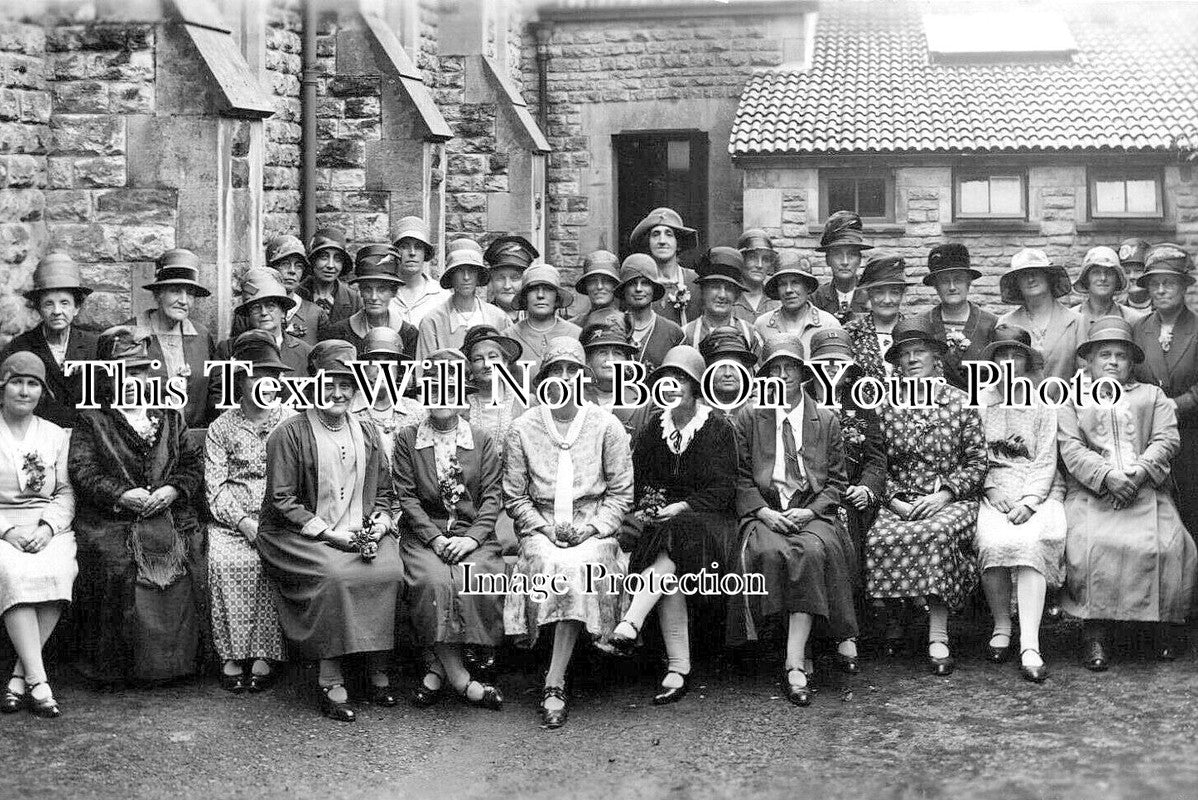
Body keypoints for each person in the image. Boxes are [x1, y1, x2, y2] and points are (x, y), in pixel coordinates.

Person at [256, 340, 404, 722]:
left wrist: (381, 525)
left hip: (358, 529)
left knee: (389, 570)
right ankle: (330, 673)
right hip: (296, 533)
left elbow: (385, 492)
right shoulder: (289, 433)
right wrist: (330, 535)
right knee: (336, 575)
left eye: (346, 385)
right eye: (328, 384)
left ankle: (374, 666)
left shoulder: (368, 432)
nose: (337, 393)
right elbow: (282, 500)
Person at [503, 337, 634, 728]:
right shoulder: (522, 428)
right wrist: (544, 527)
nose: (564, 379)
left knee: (583, 563)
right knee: (548, 558)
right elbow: (515, 496)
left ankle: (554, 680)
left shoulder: (605, 425)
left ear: (584, 377)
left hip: (592, 522)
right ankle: (554, 674)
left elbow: (620, 492)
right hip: (541, 523)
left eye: (572, 371)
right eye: (555, 372)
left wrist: (590, 528)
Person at [69, 326, 205, 686]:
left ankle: (177, 664)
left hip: (169, 511)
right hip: (112, 519)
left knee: (192, 555)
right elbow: (84, 470)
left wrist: (174, 490)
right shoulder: (93, 419)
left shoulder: (169, 415)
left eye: (140, 370)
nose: (133, 379)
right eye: (123, 371)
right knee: (116, 563)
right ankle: (123, 669)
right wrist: (121, 495)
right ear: (106, 376)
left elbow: (191, 464)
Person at [727, 334, 859, 705]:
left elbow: (836, 482)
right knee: (769, 554)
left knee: (813, 552)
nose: (783, 375)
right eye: (775, 368)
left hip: (810, 507)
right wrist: (764, 511)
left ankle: (794, 661)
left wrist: (812, 510)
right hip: (766, 509)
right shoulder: (750, 417)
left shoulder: (826, 419)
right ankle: (787, 646)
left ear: (803, 374)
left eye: (790, 368)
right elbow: (738, 476)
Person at [1059, 316, 1196, 670]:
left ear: (1132, 362)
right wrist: (1107, 477)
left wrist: (1137, 474)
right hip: (1093, 493)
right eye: (1104, 354)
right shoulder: (1072, 399)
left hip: (1145, 490)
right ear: (1088, 360)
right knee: (1091, 544)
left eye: (1121, 355)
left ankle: (1159, 630)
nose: (1112, 362)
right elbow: (1071, 448)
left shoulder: (1152, 396)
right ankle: (1096, 633)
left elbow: (1167, 439)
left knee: (1169, 544)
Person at [610, 345, 737, 705]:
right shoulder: (655, 427)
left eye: (680, 379)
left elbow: (724, 489)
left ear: (696, 387)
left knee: (676, 538)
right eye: (667, 379)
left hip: (709, 522)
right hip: (664, 525)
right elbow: (642, 478)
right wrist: (653, 505)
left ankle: (633, 620)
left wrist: (683, 505)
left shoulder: (716, 428)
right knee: (669, 564)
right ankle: (678, 668)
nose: (672, 386)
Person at [865, 318, 986, 675]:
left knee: (935, 534)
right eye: (905, 354)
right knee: (880, 535)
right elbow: (876, 462)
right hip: (899, 497)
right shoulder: (884, 404)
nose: (912, 359)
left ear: (937, 358)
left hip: (950, 499)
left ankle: (938, 634)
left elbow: (978, 461)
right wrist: (893, 500)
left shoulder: (960, 401)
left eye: (920, 352)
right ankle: (895, 620)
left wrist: (945, 495)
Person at [393, 349, 505, 711]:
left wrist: (472, 537)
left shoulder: (481, 439)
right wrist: (437, 537)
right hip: (426, 535)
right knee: (433, 582)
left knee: (476, 576)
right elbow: (406, 498)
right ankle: (459, 678)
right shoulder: (408, 438)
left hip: (474, 533)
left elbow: (492, 496)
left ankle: (436, 670)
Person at [973, 325, 1066, 683]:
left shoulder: (1043, 401)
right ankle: (1001, 624)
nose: (1009, 362)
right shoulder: (981, 400)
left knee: (1030, 543)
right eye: (1002, 355)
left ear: (1027, 361)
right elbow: (973, 454)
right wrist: (992, 490)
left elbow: (1046, 460)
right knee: (993, 541)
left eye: (1016, 355)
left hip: (1037, 489)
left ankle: (1030, 642)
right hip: (994, 488)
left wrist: (1029, 502)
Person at [204, 331, 293, 694]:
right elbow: (215, 486)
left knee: (274, 562)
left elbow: (304, 479)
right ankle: (232, 652)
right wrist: (243, 522)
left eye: (272, 376)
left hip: (282, 518)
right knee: (228, 562)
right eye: (256, 375)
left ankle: (266, 653)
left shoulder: (291, 422)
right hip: (233, 520)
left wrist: (277, 521)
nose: (265, 384)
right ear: (240, 379)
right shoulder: (221, 426)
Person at [0, 353, 76, 718]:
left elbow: (64, 491)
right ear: (3, 386)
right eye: (17, 382)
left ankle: (21, 675)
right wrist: (8, 531)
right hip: (3, 527)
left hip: (47, 524)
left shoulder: (54, 434)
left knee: (60, 569)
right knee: (14, 573)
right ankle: (40, 681)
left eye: (33, 384)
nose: (24, 391)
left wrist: (48, 528)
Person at [805, 329, 884, 591]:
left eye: (839, 364)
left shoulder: (860, 401)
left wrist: (867, 488)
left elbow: (875, 456)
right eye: (824, 363)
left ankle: (853, 618)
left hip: (851, 493)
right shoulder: (798, 399)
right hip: (806, 492)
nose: (831, 369)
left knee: (852, 527)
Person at [1132, 243, 1198, 538]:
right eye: (1155, 284)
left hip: (1191, 437)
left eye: (1168, 283)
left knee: (1191, 511)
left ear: (1184, 287)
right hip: (1147, 439)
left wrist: (1179, 404)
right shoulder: (1138, 329)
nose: (1160, 290)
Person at [1, 251, 98, 429]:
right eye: (48, 304)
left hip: (86, 438)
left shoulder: (95, 347)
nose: (57, 311)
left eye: (64, 303)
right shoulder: (19, 348)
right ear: (38, 308)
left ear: (76, 308)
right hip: (36, 439)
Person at [126, 248, 216, 427]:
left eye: (189, 293)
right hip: (145, 440)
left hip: (193, 441)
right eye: (175, 291)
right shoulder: (130, 333)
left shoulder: (202, 336)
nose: (184, 300)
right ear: (158, 294)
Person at [916, 243, 998, 392]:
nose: (952, 287)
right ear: (935, 285)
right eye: (945, 281)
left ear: (969, 282)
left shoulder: (990, 324)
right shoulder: (922, 324)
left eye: (958, 279)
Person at [414, 239, 510, 364]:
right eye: (459, 270)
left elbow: (508, 367)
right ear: (451, 275)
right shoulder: (433, 321)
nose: (466, 277)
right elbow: (424, 370)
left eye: (471, 270)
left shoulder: (499, 318)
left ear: (478, 275)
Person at [996, 249, 1082, 383]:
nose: (1030, 279)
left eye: (1036, 273)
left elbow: (1084, 371)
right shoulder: (1006, 322)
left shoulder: (1076, 321)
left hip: (1065, 401)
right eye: (1024, 275)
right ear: (1017, 283)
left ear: (1048, 277)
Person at [318, 244, 419, 358]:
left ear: (393, 292)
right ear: (360, 291)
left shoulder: (408, 334)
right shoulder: (339, 332)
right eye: (367, 289)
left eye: (382, 289)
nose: (374, 297)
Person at [351, 327, 426, 465]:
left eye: (389, 362)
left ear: (399, 369)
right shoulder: (348, 410)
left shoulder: (416, 412)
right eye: (374, 362)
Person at [218, 267, 312, 376]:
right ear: (248, 314)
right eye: (256, 308)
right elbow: (219, 390)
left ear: (282, 312)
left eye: (270, 306)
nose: (263, 312)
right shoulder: (229, 350)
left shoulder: (305, 352)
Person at [232, 236, 323, 345]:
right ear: (271, 268)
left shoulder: (316, 314)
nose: (292, 271)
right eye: (285, 264)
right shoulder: (249, 312)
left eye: (299, 266)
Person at [683, 247, 763, 356]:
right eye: (715, 286)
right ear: (702, 290)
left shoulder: (750, 334)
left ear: (737, 295)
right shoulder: (686, 334)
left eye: (729, 288)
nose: (722, 295)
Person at [843, 252, 910, 380]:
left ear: (902, 294)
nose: (887, 300)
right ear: (869, 293)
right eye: (879, 292)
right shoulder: (851, 333)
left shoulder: (914, 332)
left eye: (894, 292)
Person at [630, 207, 702, 326]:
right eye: (655, 235)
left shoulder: (695, 281)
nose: (662, 241)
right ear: (648, 243)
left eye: (669, 234)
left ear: (678, 243)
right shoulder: (639, 284)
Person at [502, 264, 581, 372]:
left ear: (557, 297)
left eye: (548, 289)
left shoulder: (576, 334)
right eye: (533, 289)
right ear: (524, 297)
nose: (540, 295)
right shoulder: (508, 337)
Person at [580, 320, 651, 441]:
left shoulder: (644, 405)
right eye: (602, 353)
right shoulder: (573, 399)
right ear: (588, 361)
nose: (610, 360)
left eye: (617, 353)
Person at [754, 257, 841, 354]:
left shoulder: (828, 324)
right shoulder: (763, 324)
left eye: (795, 283)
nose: (788, 290)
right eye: (782, 284)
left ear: (807, 287)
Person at [615, 254, 684, 373]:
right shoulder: (612, 327)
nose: (638, 289)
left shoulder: (672, 332)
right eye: (632, 283)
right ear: (624, 289)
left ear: (653, 288)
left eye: (645, 283)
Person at [812, 211, 870, 323]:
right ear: (827, 260)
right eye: (837, 254)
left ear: (859, 260)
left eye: (852, 254)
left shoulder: (872, 296)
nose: (845, 262)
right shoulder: (816, 299)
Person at [1074, 246, 1148, 333]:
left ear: (1117, 280)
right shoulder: (1072, 319)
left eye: (1109, 273)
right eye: (1096, 272)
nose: (1103, 278)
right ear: (1086, 279)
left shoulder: (1134, 320)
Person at [392, 217, 449, 327]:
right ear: (395, 252)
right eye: (404, 247)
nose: (412, 253)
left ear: (425, 253)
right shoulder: (383, 293)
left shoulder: (441, 296)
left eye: (418, 247)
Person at [303, 227, 362, 329]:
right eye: (324, 257)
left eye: (337, 259)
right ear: (313, 261)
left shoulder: (354, 300)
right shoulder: (297, 295)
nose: (330, 265)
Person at [697, 325, 759, 416]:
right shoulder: (696, 411)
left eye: (734, 367)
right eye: (721, 366)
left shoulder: (757, 412)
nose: (727, 373)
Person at [483, 235, 538, 325]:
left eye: (515, 278)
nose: (507, 286)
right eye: (500, 278)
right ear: (491, 281)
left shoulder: (539, 319)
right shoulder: (482, 318)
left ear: (526, 281)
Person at [735, 228, 781, 321]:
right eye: (752, 258)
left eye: (765, 259)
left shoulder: (778, 301)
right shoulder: (729, 299)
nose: (759, 265)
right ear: (741, 260)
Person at [569, 250, 623, 329]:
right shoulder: (574, 326)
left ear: (614, 285)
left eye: (606, 281)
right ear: (586, 286)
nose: (599, 286)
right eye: (592, 281)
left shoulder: (626, 323)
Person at [1119, 238, 1153, 311]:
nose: (1132, 276)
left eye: (1138, 271)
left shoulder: (1164, 307)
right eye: (1127, 272)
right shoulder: (1116, 309)